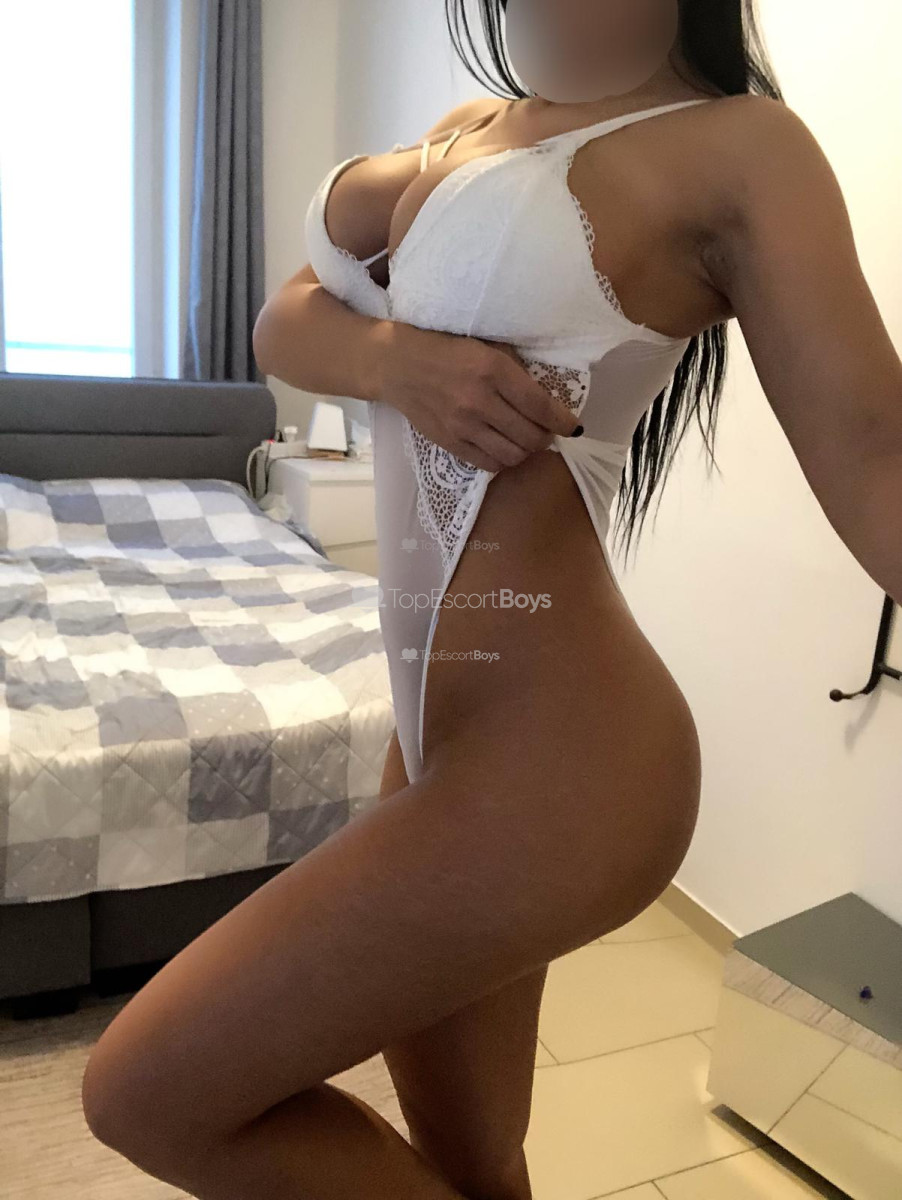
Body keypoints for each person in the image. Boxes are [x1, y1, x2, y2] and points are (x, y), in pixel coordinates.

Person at [80, 3, 902, 1198]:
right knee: (470, 1162)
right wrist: (394, 363)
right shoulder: (477, 125)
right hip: (435, 743)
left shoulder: (738, 148)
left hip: (562, 762)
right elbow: (283, 321)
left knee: (146, 1093)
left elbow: (877, 462)